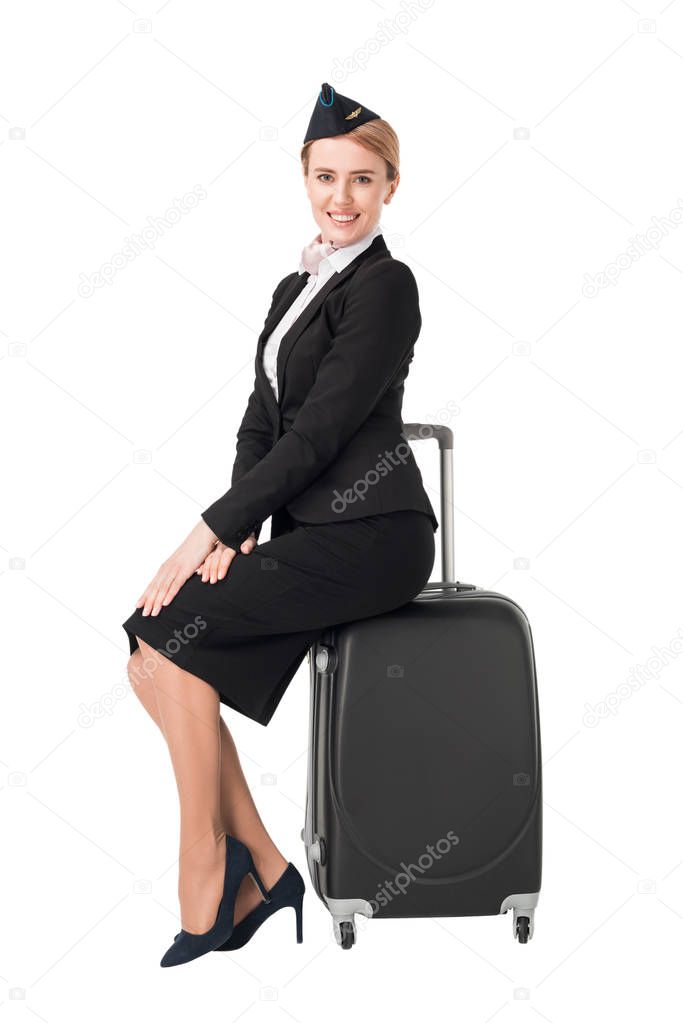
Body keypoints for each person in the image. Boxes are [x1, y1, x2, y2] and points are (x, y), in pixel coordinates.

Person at [122, 81, 438, 967]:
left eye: (363, 180)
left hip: (374, 533)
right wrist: (238, 528)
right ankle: (261, 863)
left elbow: (323, 428)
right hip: (305, 534)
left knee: (166, 630)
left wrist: (204, 531)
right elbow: (261, 423)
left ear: (389, 190)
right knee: (150, 654)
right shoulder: (293, 287)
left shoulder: (386, 287)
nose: (341, 198)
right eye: (326, 176)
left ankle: (210, 867)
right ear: (304, 177)